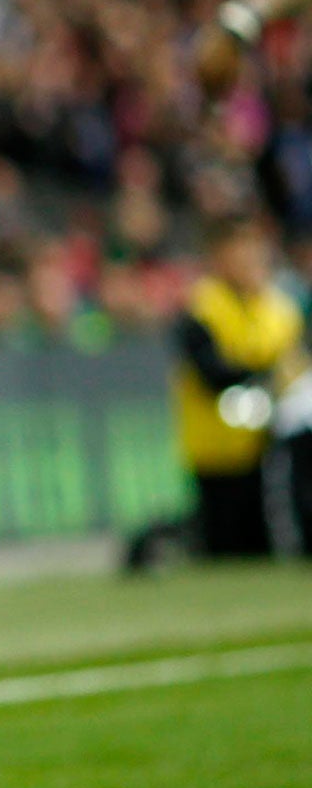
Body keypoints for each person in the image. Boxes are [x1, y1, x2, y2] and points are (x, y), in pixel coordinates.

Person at [126, 212, 308, 569]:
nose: (250, 263)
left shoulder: (282, 309)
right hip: (216, 450)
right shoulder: (201, 306)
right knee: (225, 547)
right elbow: (212, 373)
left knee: (265, 547)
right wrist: (270, 376)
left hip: (270, 448)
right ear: (218, 257)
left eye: (255, 252)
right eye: (239, 253)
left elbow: (297, 366)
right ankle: (162, 543)